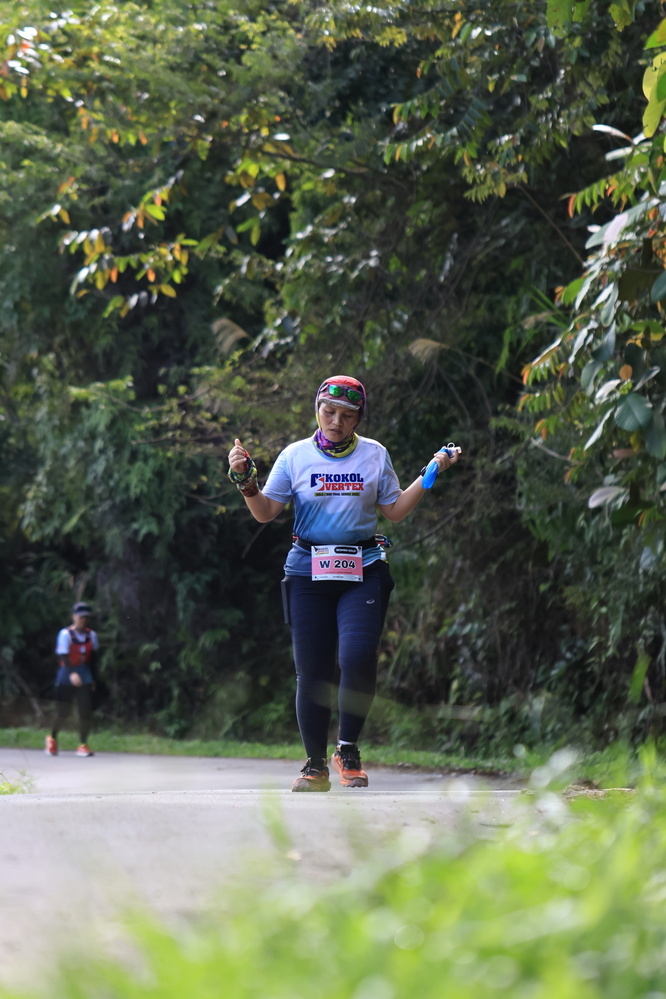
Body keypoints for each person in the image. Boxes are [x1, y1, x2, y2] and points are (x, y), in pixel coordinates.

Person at [227, 375, 460, 791]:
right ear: (317, 410)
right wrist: (245, 478)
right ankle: (314, 766)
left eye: (348, 415)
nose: (336, 422)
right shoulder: (295, 456)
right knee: (312, 672)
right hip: (308, 571)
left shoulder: (374, 454)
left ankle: (347, 750)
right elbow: (265, 512)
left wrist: (430, 473)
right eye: (329, 411)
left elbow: (394, 511)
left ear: (359, 419)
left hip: (363, 570)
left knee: (357, 657)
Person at [45, 601, 99, 757]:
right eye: (81, 617)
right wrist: (72, 673)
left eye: (86, 617)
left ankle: (83, 744)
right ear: (74, 617)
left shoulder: (92, 635)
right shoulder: (65, 634)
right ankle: (52, 738)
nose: (83, 620)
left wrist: (93, 678)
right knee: (63, 711)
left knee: (85, 711)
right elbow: (63, 655)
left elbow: (93, 658)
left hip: (85, 673)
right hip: (67, 673)